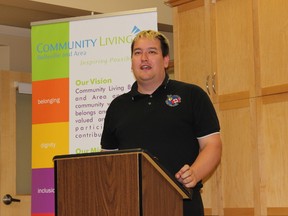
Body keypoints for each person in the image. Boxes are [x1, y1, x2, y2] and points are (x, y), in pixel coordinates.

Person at [100, 30, 222, 216]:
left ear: (166, 60)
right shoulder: (117, 106)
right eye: (138, 53)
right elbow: (107, 162)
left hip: (182, 203)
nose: (144, 58)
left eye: (152, 52)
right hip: (130, 206)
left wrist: (195, 173)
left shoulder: (192, 96)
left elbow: (212, 145)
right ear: (132, 62)